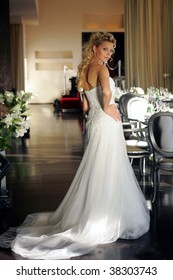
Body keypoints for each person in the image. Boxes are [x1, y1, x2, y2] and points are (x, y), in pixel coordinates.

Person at [0, 32, 150, 259]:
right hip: (107, 123)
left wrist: (100, 108)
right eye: (105, 49)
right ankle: (105, 215)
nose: (108, 54)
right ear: (95, 48)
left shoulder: (85, 69)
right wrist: (109, 107)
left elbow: (86, 107)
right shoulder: (101, 68)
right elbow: (106, 93)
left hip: (95, 123)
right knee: (109, 166)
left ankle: (96, 211)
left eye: (111, 50)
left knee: (98, 166)